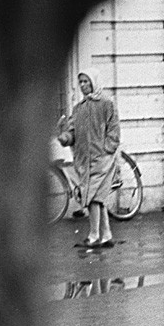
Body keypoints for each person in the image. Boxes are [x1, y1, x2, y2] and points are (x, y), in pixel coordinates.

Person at [58, 72, 120, 248]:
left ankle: (93, 236)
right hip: (85, 160)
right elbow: (72, 133)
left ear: (94, 82)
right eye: (80, 82)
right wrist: (64, 137)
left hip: (102, 159)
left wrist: (106, 150)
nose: (83, 85)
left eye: (86, 81)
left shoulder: (107, 104)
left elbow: (114, 131)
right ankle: (106, 235)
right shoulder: (78, 109)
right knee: (98, 197)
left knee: (92, 196)